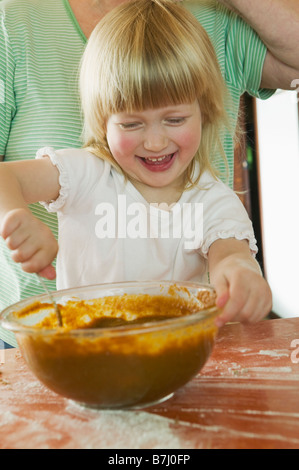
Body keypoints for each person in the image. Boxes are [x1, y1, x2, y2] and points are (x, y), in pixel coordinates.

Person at [0, 0, 297, 347]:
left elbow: (229, 252)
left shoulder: (211, 198)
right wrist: (17, 215)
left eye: (174, 120)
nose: (155, 142)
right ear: (102, 122)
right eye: (130, 124)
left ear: (206, 113)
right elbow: (8, 179)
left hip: (172, 352)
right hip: (77, 349)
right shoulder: (84, 173)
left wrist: (241, 273)